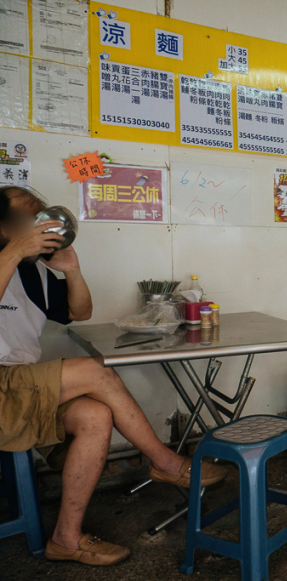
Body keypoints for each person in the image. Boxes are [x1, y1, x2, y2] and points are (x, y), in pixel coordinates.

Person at [0, 186, 228, 566]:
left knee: (96, 415)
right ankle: (166, 463)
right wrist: (15, 250)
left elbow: (81, 311)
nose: (40, 227)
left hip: (20, 387)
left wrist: (72, 269)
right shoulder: (11, 258)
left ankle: (66, 538)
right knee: (94, 370)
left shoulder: (33, 273)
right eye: (29, 219)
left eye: (43, 218)